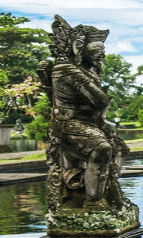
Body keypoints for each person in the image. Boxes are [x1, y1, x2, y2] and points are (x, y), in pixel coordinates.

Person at [38, 14, 126, 209]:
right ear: (79, 48)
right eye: (96, 50)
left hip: (86, 123)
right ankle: (93, 201)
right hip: (68, 125)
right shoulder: (67, 69)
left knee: (120, 148)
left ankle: (109, 193)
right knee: (102, 148)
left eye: (102, 50)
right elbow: (100, 100)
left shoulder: (87, 70)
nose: (101, 54)